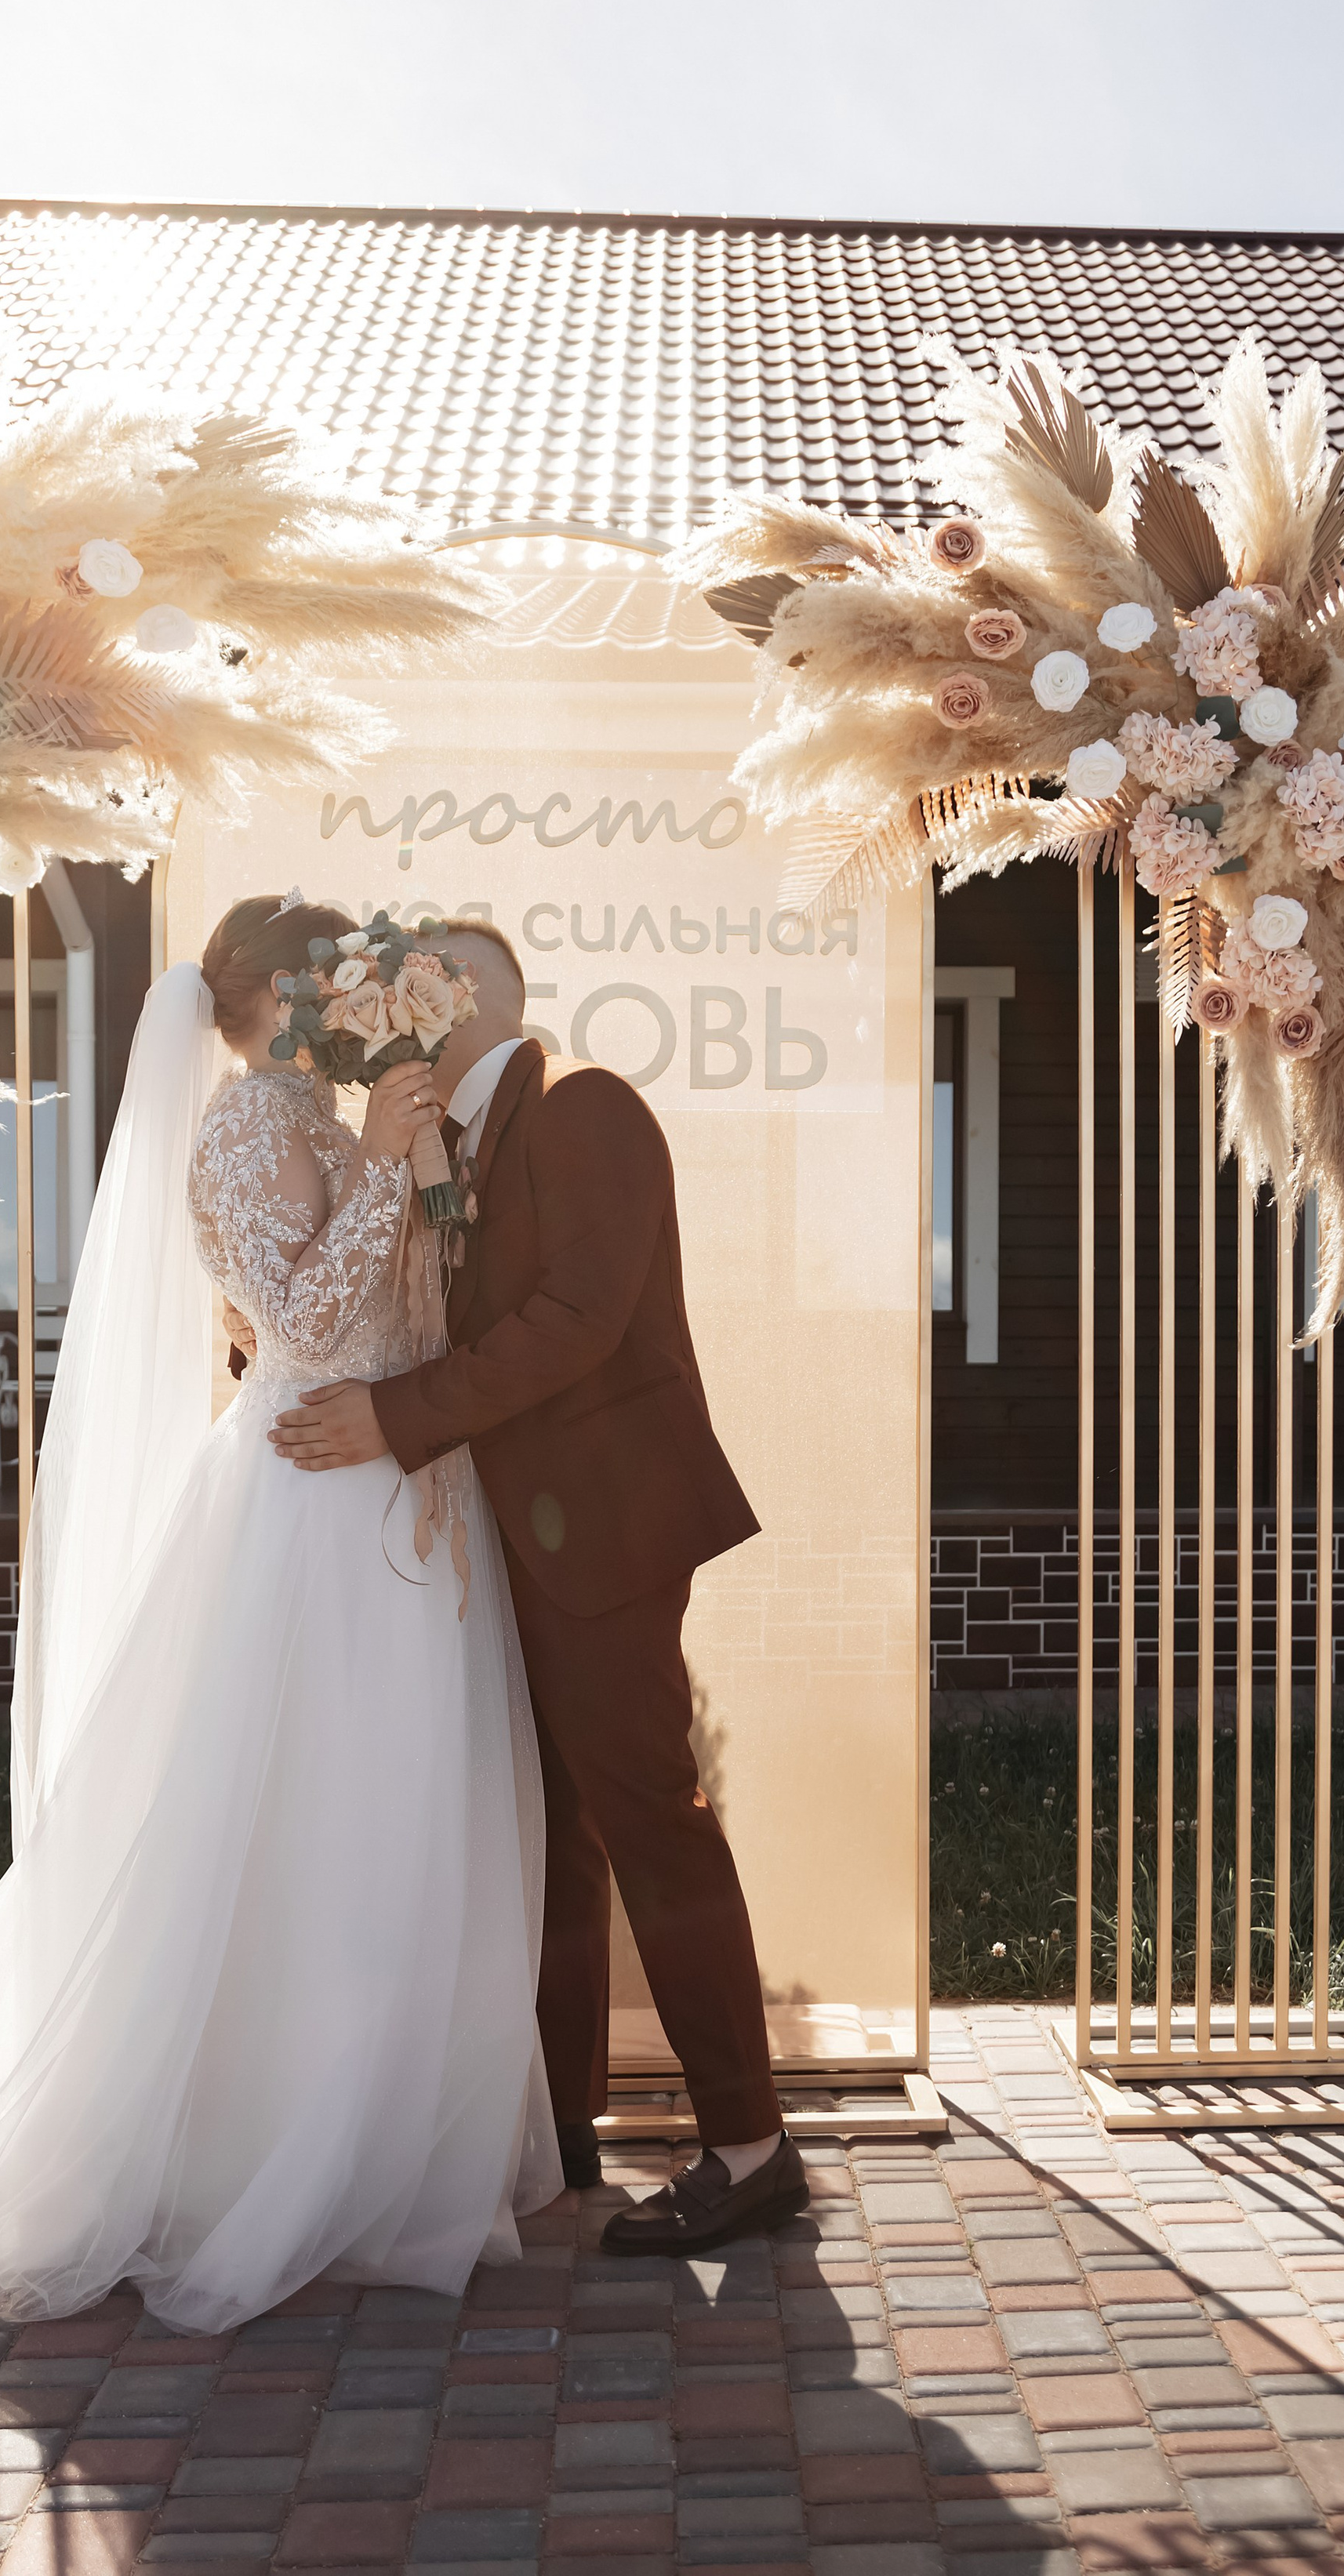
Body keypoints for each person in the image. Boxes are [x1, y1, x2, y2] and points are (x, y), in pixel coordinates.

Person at [0, 895, 558, 2325]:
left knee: (382, 1827)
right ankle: (271, 2156)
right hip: (308, 1508)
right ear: (284, 994)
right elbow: (307, 1327)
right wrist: (396, 1172)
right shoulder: (244, 1125)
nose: (365, 1007)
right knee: (301, 1830)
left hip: (386, 1494)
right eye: (345, 982)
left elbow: (373, 1311)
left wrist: (406, 1174)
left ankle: (375, 2148)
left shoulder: (316, 1122)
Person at [271, 916, 803, 2254]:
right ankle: (560, 2134)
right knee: (553, 1840)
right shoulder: (463, 1143)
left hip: (607, 1539)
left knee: (651, 1823)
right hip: (518, 1539)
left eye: (404, 997)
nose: (384, 1023)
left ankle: (749, 2146)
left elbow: (578, 1322)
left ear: (458, 1001)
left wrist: (396, 1418)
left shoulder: (585, 1110)